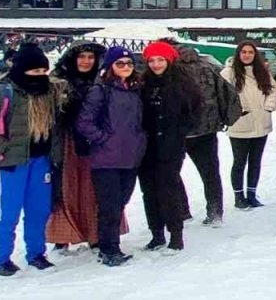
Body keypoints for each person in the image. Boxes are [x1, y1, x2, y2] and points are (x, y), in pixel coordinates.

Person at [0, 43, 65, 276]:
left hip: (40, 160)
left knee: (38, 210)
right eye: (35, 72)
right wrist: (1, 147)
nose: (40, 76)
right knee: (7, 212)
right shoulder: (2, 91)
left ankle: (36, 254)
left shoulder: (50, 92)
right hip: (8, 163)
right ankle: (1, 259)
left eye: (43, 72)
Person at [47, 41, 126, 252]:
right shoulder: (58, 82)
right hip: (67, 142)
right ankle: (63, 235)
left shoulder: (105, 81)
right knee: (66, 187)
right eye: (82, 57)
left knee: (95, 189)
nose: (86, 61)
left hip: (96, 142)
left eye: (90, 58)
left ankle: (96, 233)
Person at [77, 46, 146, 266]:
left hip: (130, 156)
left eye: (129, 64)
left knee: (121, 202)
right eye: (120, 64)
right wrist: (104, 139)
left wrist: (140, 140)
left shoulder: (135, 88)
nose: (125, 68)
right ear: (110, 66)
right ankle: (108, 248)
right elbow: (84, 122)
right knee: (109, 206)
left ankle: (109, 245)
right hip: (106, 158)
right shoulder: (101, 90)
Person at [174, 43, 240, 227]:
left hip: (179, 132)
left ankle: (182, 210)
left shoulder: (170, 71)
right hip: (207, 130)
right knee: (210, 174)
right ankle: (215, 212)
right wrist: (224, 119)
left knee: (171, 173)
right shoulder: (207, 66)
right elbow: (227, 93)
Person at [138, 41, 194, 253]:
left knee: (168, 189)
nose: (156, 64)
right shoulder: (143, 83)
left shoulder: (182, 83)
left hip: (171, 146)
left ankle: (176, 233)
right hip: (146, 146)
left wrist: (179, 132)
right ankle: (156, 233)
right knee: (149, 191)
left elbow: (194, 111)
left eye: (160, 60)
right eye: (152, 60)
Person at [221, 41, 276, 211]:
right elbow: (223, 94)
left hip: (261, 122)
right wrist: (238, 109)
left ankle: (252, 194)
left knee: (255, 161)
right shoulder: (229, 73)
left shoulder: (262, 73)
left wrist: (268, 106)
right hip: (240, 124)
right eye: (243, 52)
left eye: (250, 52)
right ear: (238, 54)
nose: (247, 55)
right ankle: (239, 196)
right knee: (239, 162)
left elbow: (273, 90)